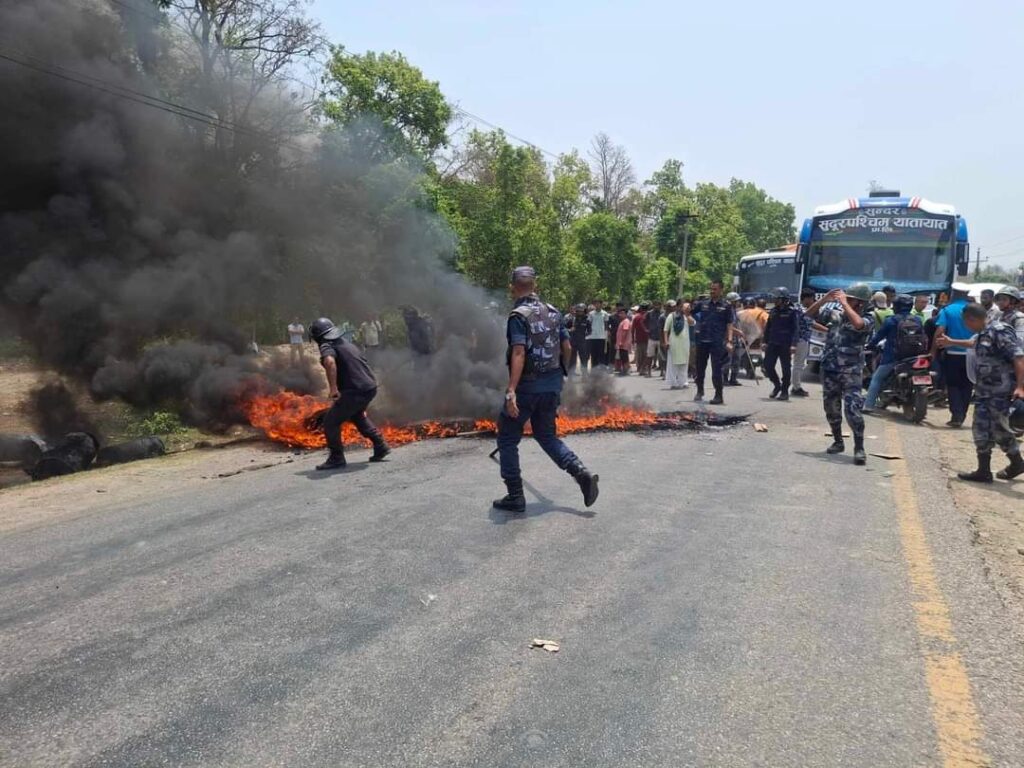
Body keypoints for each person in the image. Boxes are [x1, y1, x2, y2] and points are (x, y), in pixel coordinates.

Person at [494, 266, 599, 513]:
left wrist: (511, 390)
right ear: (535, 286)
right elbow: (567, 347)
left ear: (513, 288)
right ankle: (580, 472)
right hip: (551, 385)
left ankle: (515, 495)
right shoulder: (553, 312)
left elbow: (518, 352)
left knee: (508, 438)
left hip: (527, 388)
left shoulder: (518, 315)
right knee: (547, 436)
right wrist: (560, 375)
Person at [942, 304, 1024, 482]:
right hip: (984, 392)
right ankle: (983, 470)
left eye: (965, 322)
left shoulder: (999, 330)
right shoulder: (983, 333)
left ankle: (1017, 462)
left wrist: (1020, 387)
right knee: (981, 429)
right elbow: (974, 344)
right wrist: (951, 342)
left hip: (1001, 392)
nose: (965, 326)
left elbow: (1018, 357)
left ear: (972, 319)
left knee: (1000, 430)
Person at [309, 317, 391, 470]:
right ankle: (381, 445)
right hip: (369, 387)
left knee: (330, 422)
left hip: (355, 390)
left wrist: (333, 388)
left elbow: (329, 362)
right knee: (357, 415)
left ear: (317, 336)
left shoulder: (327, 345)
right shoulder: (346, 343)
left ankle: (336, 458)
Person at [805, 284, 872, 465]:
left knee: (852, 409)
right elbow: (808, 315)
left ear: (860, 302)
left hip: (851, 370)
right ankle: (838, 441)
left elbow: (858, 324)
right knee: (831, 408)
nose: (846, 301)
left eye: (850, 299)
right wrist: (825, 300)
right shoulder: (835, 315)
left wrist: (844, 303)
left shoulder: (868, 318)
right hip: (830, 368)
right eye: (846, 298)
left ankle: (859, 447)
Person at [863, 294, 924, 411]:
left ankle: (868, 406)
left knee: (877, 378)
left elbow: (878, 337)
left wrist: (869, 345)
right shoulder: (917, 320)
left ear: (896, 306)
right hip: (914, 357)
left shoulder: (891, 321)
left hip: (893, 357)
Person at [935, 284, 974, 427]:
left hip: (953, 353)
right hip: (973, 354)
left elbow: (940, 330)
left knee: (953, 385)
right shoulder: (975, 310)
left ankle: (956, 415)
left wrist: (935, 350)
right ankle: (961, 414)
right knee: (967, 385)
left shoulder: (948, 310)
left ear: (953, 294)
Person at [692, 281, 737, 405]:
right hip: (702, 340)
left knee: (717, 369)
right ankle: (699, 390)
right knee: (700, 368)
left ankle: (718, 395)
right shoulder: (703, 304)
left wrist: (729, 341)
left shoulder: (726, 306)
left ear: (721, 290)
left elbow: (729, 325)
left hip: (717, 342)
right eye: (711, 289)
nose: (712, 291)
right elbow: (690, 312)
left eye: (715, 289)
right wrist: (686, 308)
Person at [763, 287, 801, 400]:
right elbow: (768, 328)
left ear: (784, 299)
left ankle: (784, 391)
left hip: (786, 344)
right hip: (773, 343)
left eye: (777, 298)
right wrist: (765, 341)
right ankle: (777, 385)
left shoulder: (792, 312)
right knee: (767, 366)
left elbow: (796, 329)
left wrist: (794, 344)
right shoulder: (773, 311)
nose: (774, 300)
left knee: (786, 368)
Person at [791, 289, 822, 397]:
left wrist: (827, 330)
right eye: (813, 299)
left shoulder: (805, 309)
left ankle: (796, 386)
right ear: (808, 298)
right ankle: (796, 387)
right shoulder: (799, 308)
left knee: (799, 364)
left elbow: (811, 323)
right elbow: (805, 317)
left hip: (804, 340)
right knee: (798, 365)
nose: (813, 301)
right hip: (799, 340)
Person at [663, 300, 693, 389]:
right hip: (674, 343)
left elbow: (692, 323)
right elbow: (665, 330)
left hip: (685, 344)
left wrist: (687, 314)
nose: (681, 308)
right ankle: (673, 383)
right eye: (680, 306)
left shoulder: (686, 316)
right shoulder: (671, 316)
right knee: (673, 363)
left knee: (684, 363)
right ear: (677, 307)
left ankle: (683, 382)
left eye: (683, 307)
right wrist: (666, 341)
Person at [725, 292, 744, 386]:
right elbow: (728, 326)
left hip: (736, 339)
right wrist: (738, 332)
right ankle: (724, 379)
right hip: (728, 339)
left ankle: (733, 379)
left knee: (736, 360)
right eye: (736, 301)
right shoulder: (727, 311)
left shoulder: (734, 311)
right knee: (727, 360)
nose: (738, 302)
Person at [566, 304, 590, 373]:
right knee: (572, 358)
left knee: (583, 358)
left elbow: (590, 330)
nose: (580, 312)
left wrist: (585, 334)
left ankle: (585, 374)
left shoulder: (587, 320)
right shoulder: (571, 319)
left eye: (581, 311)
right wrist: (570, 330)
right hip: (573, 341)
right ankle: (571, 373)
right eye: (578, 311)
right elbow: (565, 329)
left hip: (582, 342)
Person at [586, 300, 609, 370]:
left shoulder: (605, 313)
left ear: (601, 305)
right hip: (593, 337)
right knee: (593, 355)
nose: (597, 305)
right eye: (595, 304)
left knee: (601, 354)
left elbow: (606, 325)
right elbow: (588, 324)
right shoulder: (591, 314)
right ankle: (593, 370)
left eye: (598, 304)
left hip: (602, 337)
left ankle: (601, 371)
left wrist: (606, 335)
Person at [632, 302, 650, 376]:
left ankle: (641, 368)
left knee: (640, 355)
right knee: (645, 355)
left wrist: (633, 338)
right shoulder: (647, 316)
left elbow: (632, 329)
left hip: (639, 339)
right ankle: (643, 368)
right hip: (646, 338)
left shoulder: (637, 317)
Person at [614, 306, 632, 375]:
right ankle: (624, 369)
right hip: (622, 343)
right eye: (620, 313)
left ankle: (626, 370)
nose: (620, 315)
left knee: (624, 357)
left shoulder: (626, 321)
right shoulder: (623, 321)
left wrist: (621, 341)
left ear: (625, 314)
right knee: (623, 357)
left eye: (622, 313)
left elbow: (625, 331)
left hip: (624, 343)